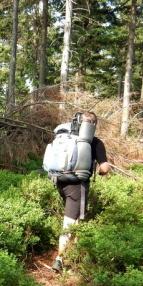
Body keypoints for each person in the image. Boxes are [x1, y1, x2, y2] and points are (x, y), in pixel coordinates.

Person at [52, 111, 110, 272]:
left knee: (76, 218)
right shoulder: (95, 142)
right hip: (78, 187)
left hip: (61, 183)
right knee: (70, 223)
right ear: (93, 126)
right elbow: (104, 168)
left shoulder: (66, 138)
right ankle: (60, 260)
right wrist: (101, 172)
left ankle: (74, 255)